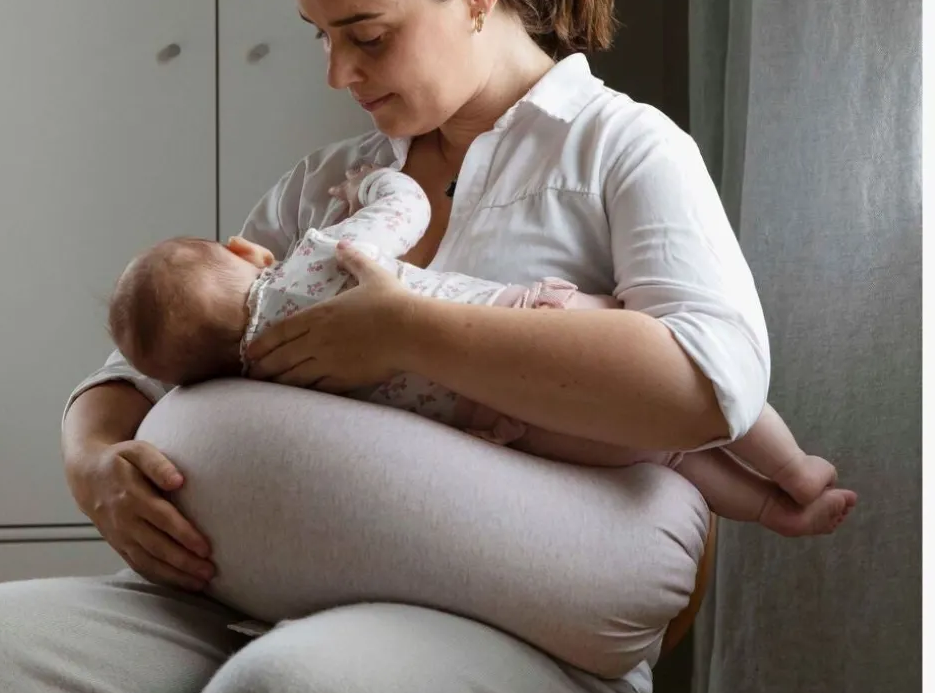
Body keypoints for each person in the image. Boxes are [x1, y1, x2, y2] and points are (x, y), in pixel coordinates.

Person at [0, 0, 772, 693]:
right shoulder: (332, 180)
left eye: (367, 35)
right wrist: (95, 467)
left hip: (507, 638)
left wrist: (406, 332)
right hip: (256, 598)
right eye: (322, 38)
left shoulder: (621, 151)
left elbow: (715, 380)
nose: (340, 72)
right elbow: (135, 368)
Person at [106, 160, 855, 538]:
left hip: (505, 433)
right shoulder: (316, 257)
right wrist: (372, 184)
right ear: (247, 252)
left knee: (671, 455)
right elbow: (407, 208)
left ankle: (766, 507)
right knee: (683, 377)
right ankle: (793, 468)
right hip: (528, 325)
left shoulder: (266, 385)